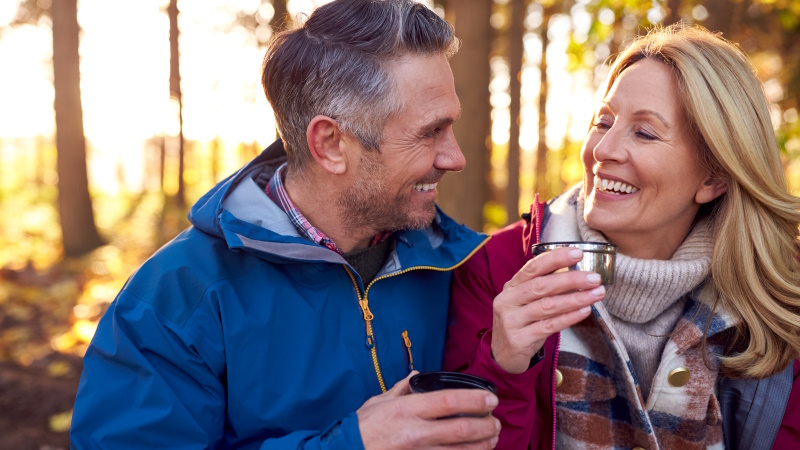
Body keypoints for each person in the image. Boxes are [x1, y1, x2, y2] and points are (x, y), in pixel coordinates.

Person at [70, 1, 503, 448]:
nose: (456, 158)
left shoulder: (452, 265)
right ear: (331, 144)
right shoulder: (174, 301)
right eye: (430, 132)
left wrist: (505, 359)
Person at [443, 24, 800, 449]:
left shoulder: (778, 295)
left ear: (714, 177)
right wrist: (503, 366)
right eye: (603, 121)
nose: (602, 150)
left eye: (645, 132)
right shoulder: (497, 268)